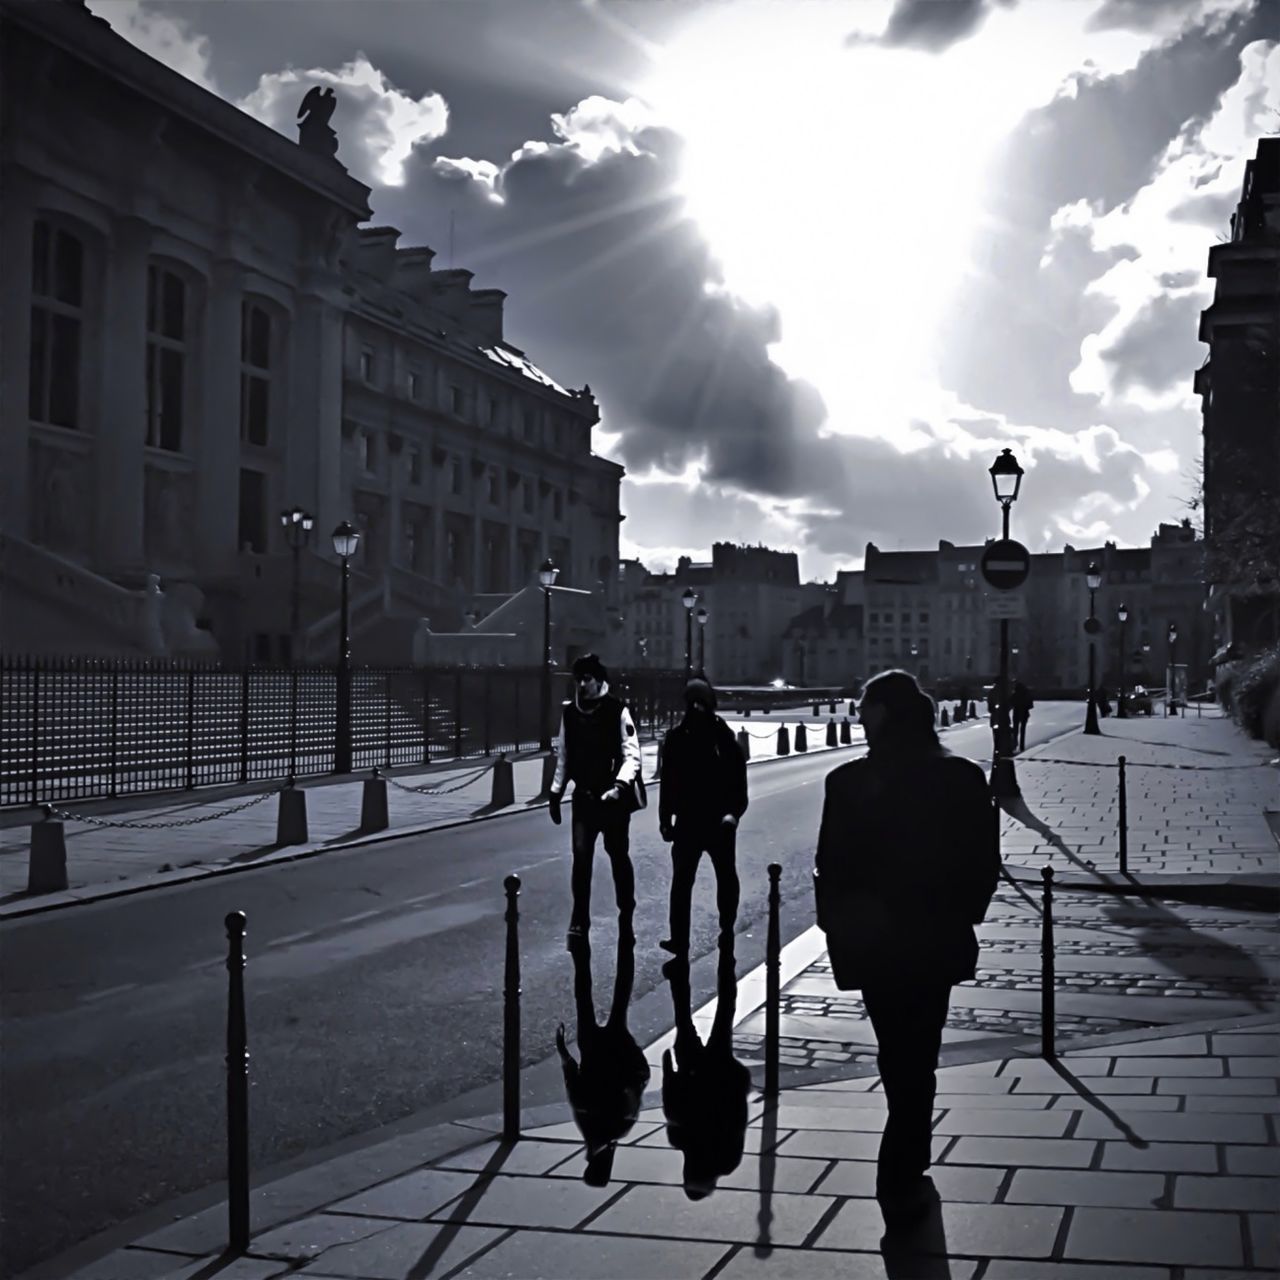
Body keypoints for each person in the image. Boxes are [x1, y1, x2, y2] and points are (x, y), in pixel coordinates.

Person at [813, 670, 999, 1227]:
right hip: (935, 933)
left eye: (866, 710)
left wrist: (839, 928)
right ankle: (906, 1156)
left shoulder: (846, 782)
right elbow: (983, 862)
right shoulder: (963, 777)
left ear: (885, 716)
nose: (859, 719)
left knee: (897, 1047)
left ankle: (902, 1154)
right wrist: (961, 914)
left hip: (874, 939)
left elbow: (830, 867)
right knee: (920, 1045)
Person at [548, 654, 642, 944]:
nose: (582, 684)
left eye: (587, 678)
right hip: (585, 798)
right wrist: (556, 791)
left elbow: (632, 754)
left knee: (617, 854)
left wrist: (620, 785)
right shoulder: (570, 714)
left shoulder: (617, 710)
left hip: (612, 798)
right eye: (578, 679)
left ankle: (626, 908)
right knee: (581, 859)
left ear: (599, 680)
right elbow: (563, 755)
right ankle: (580, 918)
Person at [657, 677, 748, 956]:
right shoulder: (688, 738)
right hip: (695, 820)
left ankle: (723, 928)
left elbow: (738, 783)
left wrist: (733, 814)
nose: (695, 709)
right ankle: (683, 938)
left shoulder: (721, 737)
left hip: (713, 820)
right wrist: (665, 817)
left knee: (715, 879)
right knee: (687, 882)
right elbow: (668, 782)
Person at [555, 923, 650, 1186]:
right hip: (597, 1052)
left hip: (617, 1053)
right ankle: (580, 944)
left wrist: (632, 1058)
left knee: (619, 996)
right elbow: (573, 1084)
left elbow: (636, 1084)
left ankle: (626, 939)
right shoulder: (590, 1126)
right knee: (584, 995)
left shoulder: (622, 1127)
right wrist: (563, 1051)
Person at [1011, 680, 1034, 753]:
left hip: (1016, 712)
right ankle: (1021, 745)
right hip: (1024, 713)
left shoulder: (1015, 693)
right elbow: (1031, 705)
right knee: (1022, 730)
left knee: (1015, 730)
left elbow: (1011, 701)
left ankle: (1014, 744)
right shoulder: (1026, 693)